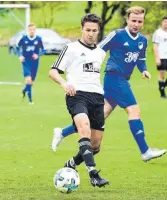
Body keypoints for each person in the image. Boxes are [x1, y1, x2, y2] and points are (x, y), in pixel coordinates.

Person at [51, 6, 167, 163]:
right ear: (127, 20)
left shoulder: (142, 41)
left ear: (143, 22)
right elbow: (99, 49)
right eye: (133, 20)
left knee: (98, 118)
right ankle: (145, 151)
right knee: (134, 111)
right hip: (114, 78)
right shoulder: (117, 35)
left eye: (139, 21)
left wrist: (144, 70)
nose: (136, 24)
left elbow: (141, 59)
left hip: (123, 79)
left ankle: (62, 132)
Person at [49, 13, 109, 188]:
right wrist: (64, 83)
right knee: (84, 129)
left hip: (97, 97)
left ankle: (72, 164)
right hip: (77, 95)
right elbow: (53, 71)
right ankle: (93, 173)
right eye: (88, 30)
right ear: (82, 29)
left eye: (94, 30)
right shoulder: (71, 48)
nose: (90, 33)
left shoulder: (100, 53)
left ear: (98, 31)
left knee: (95, 146)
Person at [16, 23, 45, 104]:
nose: (32, 31)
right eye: (30, 30)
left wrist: (38, 55)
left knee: (31, 83)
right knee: (28, 80)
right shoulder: (24, 38)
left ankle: (24, 90)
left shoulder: (38, 39)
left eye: (33, 30)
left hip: (35, 63)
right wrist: (20, 56)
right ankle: (30, 101)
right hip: (26, 61)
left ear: (35, 30)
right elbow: (17, 47)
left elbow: (43, 50)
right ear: (28, 30)